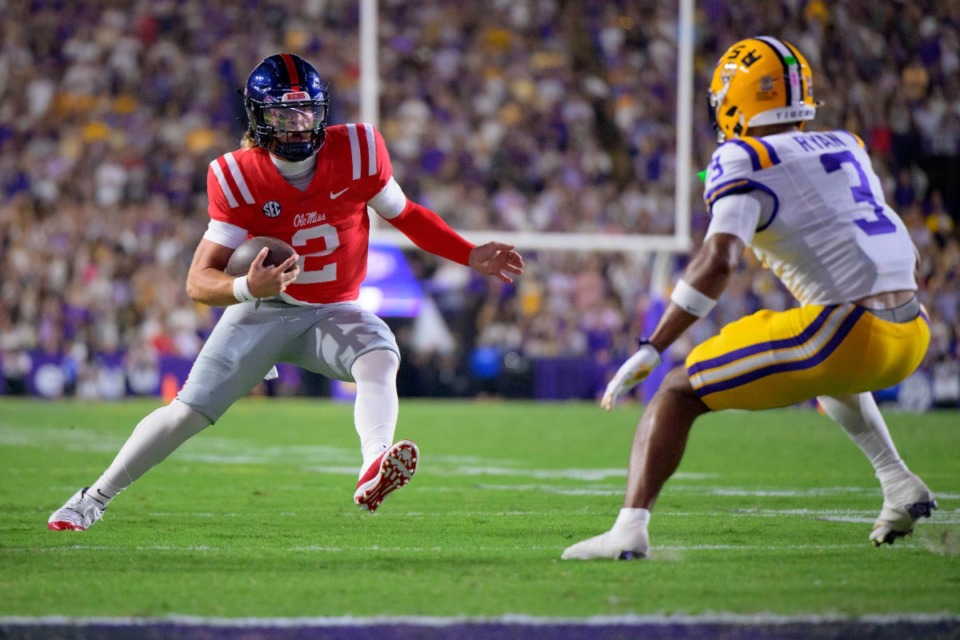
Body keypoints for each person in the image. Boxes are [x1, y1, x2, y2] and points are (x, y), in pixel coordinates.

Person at [48, 53, 523, 531]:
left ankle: (373, 465)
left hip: (334, 308)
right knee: (187, 414)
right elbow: (198, 281)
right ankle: (92, 498)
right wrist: (245, 286)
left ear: (322, 112)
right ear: (259, 117)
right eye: (282, 114)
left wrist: (467, 253)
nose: (297, 125)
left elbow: (406, 214)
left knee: (380, 356)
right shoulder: (237, 176)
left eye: (306, 112)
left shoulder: (358, 150)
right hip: (265, 309)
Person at [562, 36, 936, 560]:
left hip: (848, 331)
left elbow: (720, 259)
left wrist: (653, 343)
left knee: (676, 391)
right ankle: (898, 482)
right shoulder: (847, 144)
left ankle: (628, 529)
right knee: (828, 378)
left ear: (737, 97)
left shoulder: (744, 154)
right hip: (913, 331)